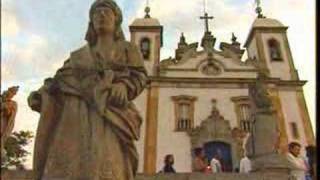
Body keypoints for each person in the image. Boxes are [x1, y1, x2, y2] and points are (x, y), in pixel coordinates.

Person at [27, 0, 147, 179]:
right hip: (76, 118)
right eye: (96, 13)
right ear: (91, 21)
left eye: (107, 12)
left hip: (111, 118)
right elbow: (59, 81)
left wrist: (124, 86)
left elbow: (140, 76)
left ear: (116, 20)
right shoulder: (78, 56)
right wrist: (41, 95)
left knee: (109, 167)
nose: (101, 15)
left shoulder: (128, 50)